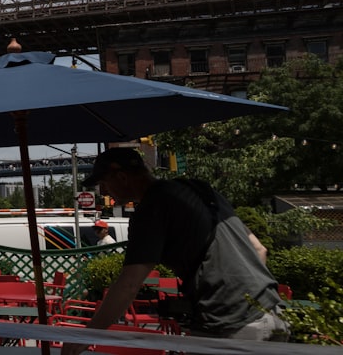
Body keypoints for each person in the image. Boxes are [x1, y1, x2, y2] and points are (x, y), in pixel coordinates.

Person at [62, 147, 288, 355]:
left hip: (229, 324)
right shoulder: (200, 189)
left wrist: (90, 334)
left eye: (103, 183)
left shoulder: (151, 209)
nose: (103, 191)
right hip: (271, 311)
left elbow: (130, 284)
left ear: (121, 177)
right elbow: (259, 249)